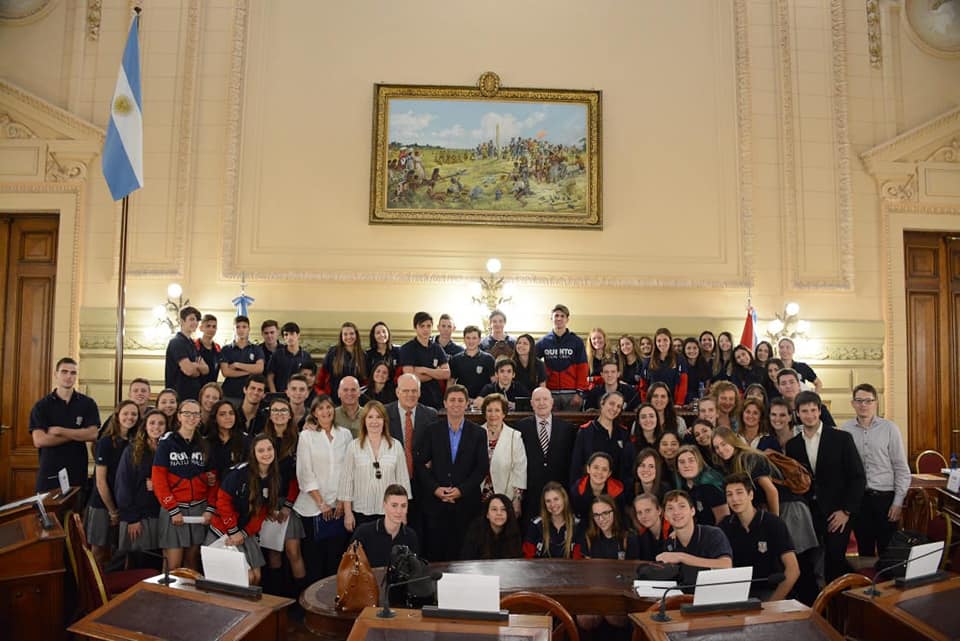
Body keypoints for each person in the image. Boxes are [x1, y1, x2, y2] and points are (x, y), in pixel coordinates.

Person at [713, 426, 818, 601]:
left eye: (724, 444)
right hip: (773, 509)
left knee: (798, 563)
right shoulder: (732, 463)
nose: (721, 450)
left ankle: (811, 606)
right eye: (716, 447)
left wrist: (773, 522)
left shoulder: (749, 458)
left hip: (787, 508)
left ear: (733, 441)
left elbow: (772, 491)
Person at [785, 390, 865, 582]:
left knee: (834, 562)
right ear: (797, 414)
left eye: (813, 410)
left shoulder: (841, 438)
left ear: (820, 411)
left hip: (837, 512)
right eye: (805, 411)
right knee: (807, 563)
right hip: (808, 513)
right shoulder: (793, 445)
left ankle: (836, 599)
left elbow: (858, 477)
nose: (810, 415)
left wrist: (846, 511)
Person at [416, 384, 489, 561]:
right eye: (452, 400)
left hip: (467, 504)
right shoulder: (432, 430)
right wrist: (435, 489)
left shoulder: (479, 433)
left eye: (460, 400)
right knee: (436, 554)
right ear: (445, 403)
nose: (456, 404)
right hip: (437, 504)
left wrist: (461, 490)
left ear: (467, 403)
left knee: (465, 554)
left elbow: (481, 468)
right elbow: (419, 464)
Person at [840, 383, 911, 556]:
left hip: (885, 499)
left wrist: (898, 502)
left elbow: (901, 468)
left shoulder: (890, 428)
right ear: (852, 403)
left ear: (876, 403)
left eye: (868, 401)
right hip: (859, 500)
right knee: (864, 551)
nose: (863, 405)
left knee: (888, 552)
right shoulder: (845, 430)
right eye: (859, 401)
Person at [206, 434, 280, 586]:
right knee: (247, 578)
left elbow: (261, 513)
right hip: (224, 530)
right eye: (261, 450)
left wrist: (244, 533)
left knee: (257, 577)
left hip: (245, 532)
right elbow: (223, 502)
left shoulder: (274, 477)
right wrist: (233, 531)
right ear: (253, 453)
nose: (266, 454)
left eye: (269, 449)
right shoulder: (239, 473)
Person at [152, 399, 217, 571]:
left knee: (192, 563)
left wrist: (210, 509)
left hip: (198, 509)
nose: (191, 417)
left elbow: (213, 480)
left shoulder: (204, 444)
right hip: (174, 508)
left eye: (195, 414)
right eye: (187, 413)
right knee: (173, 565)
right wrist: (172, 509)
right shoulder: (167, 442)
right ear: (179, 416)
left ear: (200, 418)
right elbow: (159, 480)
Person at [295, 395, 353, 582]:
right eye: (320, 408)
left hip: (339, 506)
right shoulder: (306, 436)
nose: (326, 411)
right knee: (314, 559)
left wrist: (341, 500)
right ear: (314, 413)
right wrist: (321, 503)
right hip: (312, 508)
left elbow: (348, 470)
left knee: (335, 559)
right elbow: (305, 472)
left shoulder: (345, 434)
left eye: (328, 407)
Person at [720, 473, 799, 601]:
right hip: (739, 594)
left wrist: (772, 603)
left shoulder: (773, 523)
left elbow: (793, 570)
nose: (734, 499)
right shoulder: (724, 526)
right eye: (729, 495)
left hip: (772, 591)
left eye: (739, 493)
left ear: (750, 495)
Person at [29, 357, 101, 492]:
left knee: (77, 505)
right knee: (49, 506)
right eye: (64, 372)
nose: (69, 376)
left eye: (73, 373)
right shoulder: (42, 406)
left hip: (77, 469)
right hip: (50, 470)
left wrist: (60, 431)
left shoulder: (87, 403)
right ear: (56, 374)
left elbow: (93, 434)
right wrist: (79, 434)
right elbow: (39, 440)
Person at [339, 401, 412, 531]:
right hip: (361, 511)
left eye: (378, 417)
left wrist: (403, 513)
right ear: (364, 421)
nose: (374, 421)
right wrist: (348, 513)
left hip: (390, 512)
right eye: (370, 417)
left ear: (384, 421)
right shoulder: (353, 446)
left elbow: (403, 481)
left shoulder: (395, 446)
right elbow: (346, 482)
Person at [261, 397, 307, 593]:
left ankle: (301, 599)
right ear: (270, 415)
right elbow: (257, 475)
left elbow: (298, 477)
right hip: (268, 503)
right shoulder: (262, 441)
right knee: (273, 553)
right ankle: (278, 598)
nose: (279, 414)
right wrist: (268, 505)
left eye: (283, 411)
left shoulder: (299, 440)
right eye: (275, 410)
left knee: (293, 551)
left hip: (292, 502)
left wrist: (288, 506)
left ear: (290, 415)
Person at [576, 495, 640, 633]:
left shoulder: (628, 538)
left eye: (605, 513)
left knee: (613, 615)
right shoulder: (588, 538)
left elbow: (633, 575)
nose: (601, 519)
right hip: (596, 591)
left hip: (620, 594)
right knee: (584, 619)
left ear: (614, 512)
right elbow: (587, 573)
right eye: (596, 515)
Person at [515, 387, 577, 526]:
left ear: (552, 402)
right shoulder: (520, 427)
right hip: (531, 494)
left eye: (545, 399)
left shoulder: (567, 428)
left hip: (558, 493)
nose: (541, 403)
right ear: (531, 403)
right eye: (537, 400)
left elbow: (571, 463)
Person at [86, 400, 138, 565]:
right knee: (99, 550)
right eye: (125, 413)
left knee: (118, 552)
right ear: (117, 416)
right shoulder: (106, 442)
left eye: (134, 414)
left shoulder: (134, 442)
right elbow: (100, 482)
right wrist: (112, 511)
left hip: (123, 503)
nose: (130, 417)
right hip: (103, 504)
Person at [115, 408, 166, 564]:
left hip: (161, 515)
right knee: (138, 562)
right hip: (138, 517)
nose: (156, 427)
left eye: (161, 423)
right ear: (145, 426)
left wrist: (157, 485)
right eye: (152, 423)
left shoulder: (168, 450)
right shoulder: (132, 450)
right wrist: (132, 519)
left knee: (157, 562)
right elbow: (123, 486)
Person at [656, 490, 733, 576]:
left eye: (682, 506)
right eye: (670, 508)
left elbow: (726, 565)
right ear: (665, 516)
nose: (676, 512)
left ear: (692, 511)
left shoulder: (712, 534)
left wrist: (681, 557)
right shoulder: (670, 543)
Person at [569, 391, 635, 490]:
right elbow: (576, 466)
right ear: (602, 403)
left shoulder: (623, 433)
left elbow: (627, 467)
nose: (614, 409)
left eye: (619, 406)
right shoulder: (585, 431)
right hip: (591, 490)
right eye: (611, 403)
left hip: (616, 491)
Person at [349, 485, 420, 568]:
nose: (399, 511)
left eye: (403, 506)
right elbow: (350, 566)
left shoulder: (411, 536)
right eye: (394, 505)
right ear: (384, 505)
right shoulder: (363, 533)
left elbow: (413, 570)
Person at [480, 393, 527, 516]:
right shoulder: (476, 433)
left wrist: (517, 499)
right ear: (484, 413)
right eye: (489, 410)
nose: (493, 414)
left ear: (504, 413)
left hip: (506, 496)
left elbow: (520, 469)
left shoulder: (514, 436)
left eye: (497, 410)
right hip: (479, 496)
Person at [536, 304, 588, 410]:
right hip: (550, 394)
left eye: (562, 316)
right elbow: (533, 364)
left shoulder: (577, 341)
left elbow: (583, 368)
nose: (559, 318)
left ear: (567, 319)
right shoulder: (543, 342)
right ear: (551, 318)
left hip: (572, 394)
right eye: (556, 316)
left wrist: (580, 393)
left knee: (571, 421)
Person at [400, 312, 451, 409]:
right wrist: (436, 373)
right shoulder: (407, 348)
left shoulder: (437, 348)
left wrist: (424, 370)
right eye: (422, 326)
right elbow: (410, 377)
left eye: (428, 326)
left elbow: (446, 374)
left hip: (436, 399)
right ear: (415, 328)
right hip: (415, 400)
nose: (426, 329)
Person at [523, 482, 582, 558]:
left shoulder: (577, 524)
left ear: (564, 499)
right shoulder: (536, 525)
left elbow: (579, 559)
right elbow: (528, 558)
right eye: (548, 501)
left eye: (556, 499)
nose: (552, 504)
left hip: (571, 566)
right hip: (541, 566)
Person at [676, 445, 728, 526]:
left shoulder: (710, 486)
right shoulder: (682, 490)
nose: (686, 465)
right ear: (677, 468)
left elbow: (724, 520)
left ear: (699, 463)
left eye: (691, 461)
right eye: (682, 462)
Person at [164, 307, 208, 401]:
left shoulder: (192, 343)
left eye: (197, 320)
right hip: (178, 396)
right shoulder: (176, 342)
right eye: (191, 319)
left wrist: (194, 366)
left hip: (193, 395)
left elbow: (206, 370)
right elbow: (189, 370)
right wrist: (197, 366)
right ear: (182, 321)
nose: (195, 322)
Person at [460, 494, 523, 560]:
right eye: (494, 509)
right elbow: (467, 559)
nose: (499, 513)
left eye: (503, 509)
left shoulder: (513, 530)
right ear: (487, 514)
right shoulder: (476, 530)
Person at [318, 322, 367, 404]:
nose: (349, 337)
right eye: (345, 334)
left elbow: (364, 382)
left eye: (351, 334)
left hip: (355, 400)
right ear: (341, 336)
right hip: (334, 399)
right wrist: (323, 395)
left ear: (356, 335)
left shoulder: (363, 355)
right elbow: (322, 376)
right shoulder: (333, 352)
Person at [220, 315, 265, 404]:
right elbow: (226, 372)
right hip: (230, 394)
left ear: (249, 329)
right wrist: (249, 372)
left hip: (251, 394)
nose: (241, 330)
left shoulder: (256, 349)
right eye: (238, 327)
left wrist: (237, 365)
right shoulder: (226, 349)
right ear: (233, 329)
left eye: (244, 327)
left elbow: (259, 369)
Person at [569, 451, 626, 520]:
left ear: (609, 474)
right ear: (588, 469)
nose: (599, 472)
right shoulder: (576, 490)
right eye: (596, 467)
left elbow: (620, 518)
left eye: (604, 469)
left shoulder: (618, 493)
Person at [449, 325, 496, 403]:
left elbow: (494, 383)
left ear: (479, 340)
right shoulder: (456, 359)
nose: (471, 341)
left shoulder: (488, 359)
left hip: (484, 401)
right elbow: (451, 382)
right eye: (468, 338)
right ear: (464, 339)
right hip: (462, 402)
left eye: (474, 338)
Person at [206, 399, 249, 484]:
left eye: (231, 413)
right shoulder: (206, 442)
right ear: (215, 418)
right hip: (213, 487)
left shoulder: (245, 440)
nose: (228, 417)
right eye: (222, 414)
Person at [642, 328, 688, 405]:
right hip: (652, 403)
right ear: (655, 343)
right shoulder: (648, 361)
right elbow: (643, 386)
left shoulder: (679, 359)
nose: (662, 343)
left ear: (670, 341)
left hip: (672, 403)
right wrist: (645, 404)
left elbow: (683, 384)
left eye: (665, 340)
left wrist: (679, 403)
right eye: (659, 341)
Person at [266, 321, 314, 393]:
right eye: (286, 335)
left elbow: (310, 378)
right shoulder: (277, 354)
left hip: (299, 395)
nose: (289, 337)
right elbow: (270, 377)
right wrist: (274, 394)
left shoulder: (306, 356)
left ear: (298, 335)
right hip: (281, 394)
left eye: (292, 334)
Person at [633, 493, 670, 560]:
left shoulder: (673, 531)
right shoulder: (641, 537)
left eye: (648, 511)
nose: (643, 516)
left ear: (659, 510)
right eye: (639, 512)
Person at [681, 338, 712, 403]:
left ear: (699, 350)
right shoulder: (680, 365)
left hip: (700, 399)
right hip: (683, 400)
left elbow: (707, 385)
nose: (692, 351)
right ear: (684, 350)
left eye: (695, 348)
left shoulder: (705, 365)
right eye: (688, 348)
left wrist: (701, 400)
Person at [195, 314, 222, 387]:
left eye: (214, 327)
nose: (211, 329)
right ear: (201, 328)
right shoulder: (193, 346)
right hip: (195, 389)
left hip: (212, 388)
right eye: (208, 326)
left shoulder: (218, 348)